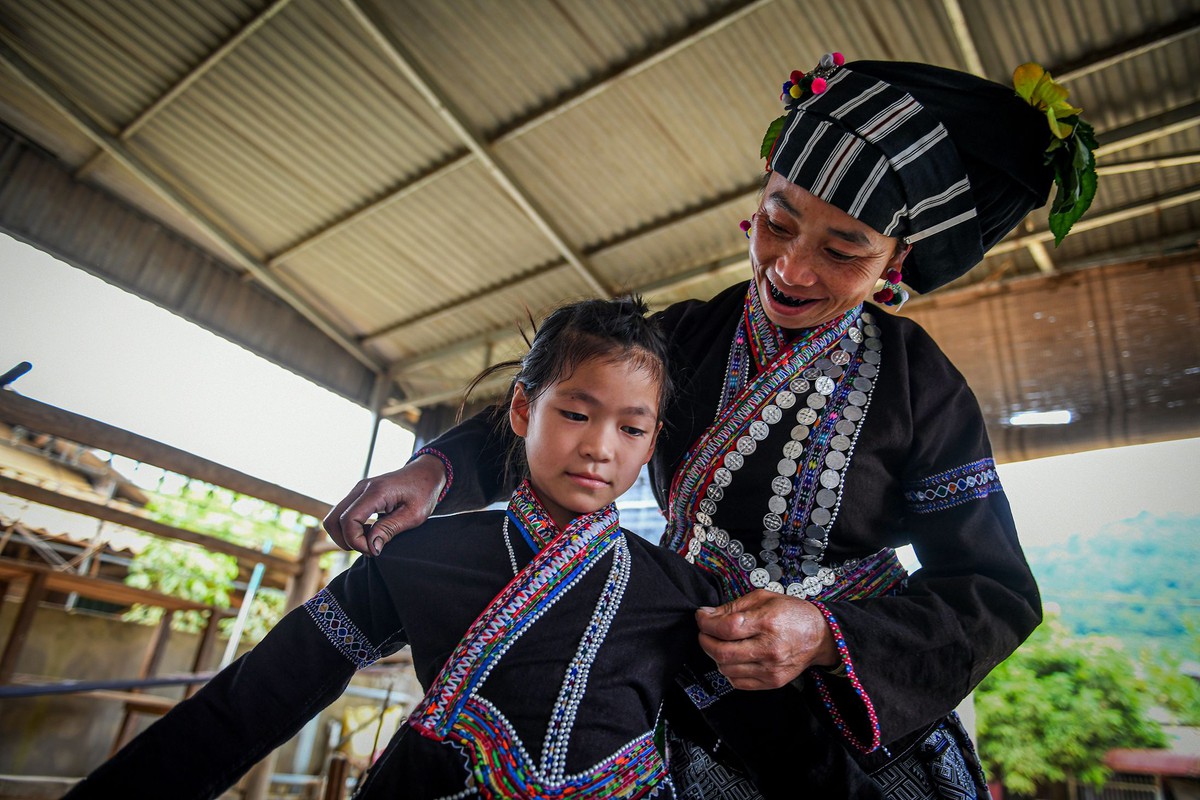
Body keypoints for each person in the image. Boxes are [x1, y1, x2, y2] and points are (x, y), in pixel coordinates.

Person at [324, 54, 1097, 799]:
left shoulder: (922, 386)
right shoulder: (687, 334)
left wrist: (823, 635)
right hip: (671, 644)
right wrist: (434, 472)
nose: (791, 269)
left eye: (843, 250)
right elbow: (564, 413)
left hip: (833, 713)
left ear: (895, 261)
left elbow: (994, 592)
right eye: (778, 223)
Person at [69, 298, 879, 800]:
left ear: (652, 444)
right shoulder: (420, 557)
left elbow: (792, 754)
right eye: (576, 413)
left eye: (631, 428)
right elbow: (253, 701)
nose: (601, 447)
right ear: (523, 411)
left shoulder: (679, 590)